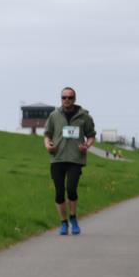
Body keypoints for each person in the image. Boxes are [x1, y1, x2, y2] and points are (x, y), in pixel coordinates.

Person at [43, 87, 96, 235]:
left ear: (74, 99)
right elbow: (47, 135)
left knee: (71, 189)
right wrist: (48, 145)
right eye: (64, 97)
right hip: (57, 158)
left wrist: (87, 145)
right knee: (59, 193)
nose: (67, 100)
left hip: (75, 159)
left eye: (70, 97)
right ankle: (63, 223)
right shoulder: (54, 115)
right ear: (61, 98)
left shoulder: (84, 116)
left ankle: (73, 218)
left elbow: (91, 136)